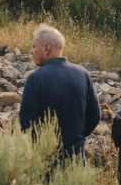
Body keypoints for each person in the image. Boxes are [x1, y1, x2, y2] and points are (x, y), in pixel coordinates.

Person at [20, 24, 101, 162]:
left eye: (34, 47)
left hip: (46, 162)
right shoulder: (82, 74)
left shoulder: (35, 78)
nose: (30, 51)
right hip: (76, 159)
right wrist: (77, 137)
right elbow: (95, 116)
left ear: (47, 48)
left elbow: (26, 125)